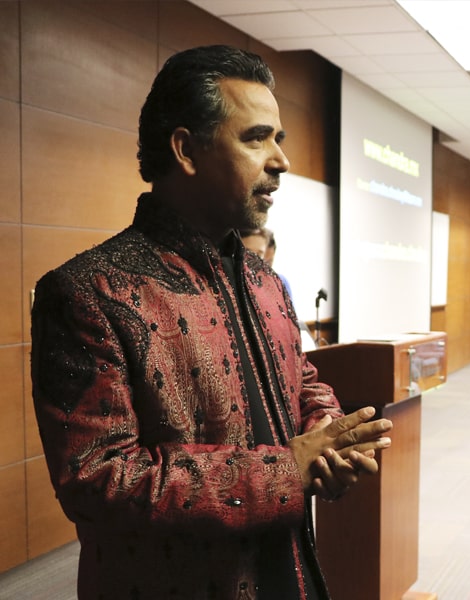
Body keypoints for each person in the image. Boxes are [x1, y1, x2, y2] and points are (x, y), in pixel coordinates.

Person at [30, 45, 392, 600]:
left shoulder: (264, 280)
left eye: (279, 140)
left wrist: (329, 439)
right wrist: (286, 472)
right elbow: (98, 481)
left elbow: (300, 380)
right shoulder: (89, 291)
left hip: (290, 575)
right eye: (256, 138)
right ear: (185, 150)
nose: (281, 161)